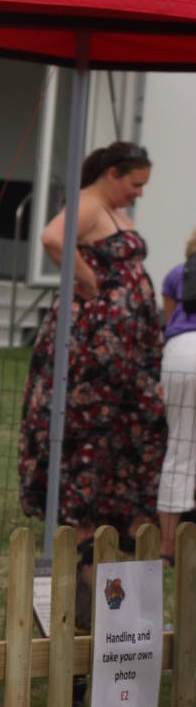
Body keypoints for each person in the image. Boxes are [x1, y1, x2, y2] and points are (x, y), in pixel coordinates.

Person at [19, 141, 165, 570]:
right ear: (114, 174)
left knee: (133, 419)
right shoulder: (88, 204)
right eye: (135, 184)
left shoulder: (110, 210)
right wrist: (92, 283)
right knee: (89, 421)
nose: (138, 194)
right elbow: (51, 237)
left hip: (123, 344)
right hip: (95, 341)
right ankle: (80, 523)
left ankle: (112, 518)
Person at [156, 228, 196, 562]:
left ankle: (167, 547)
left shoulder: (175, 274)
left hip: (180, 354)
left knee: (180, 449)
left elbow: (171, 324)